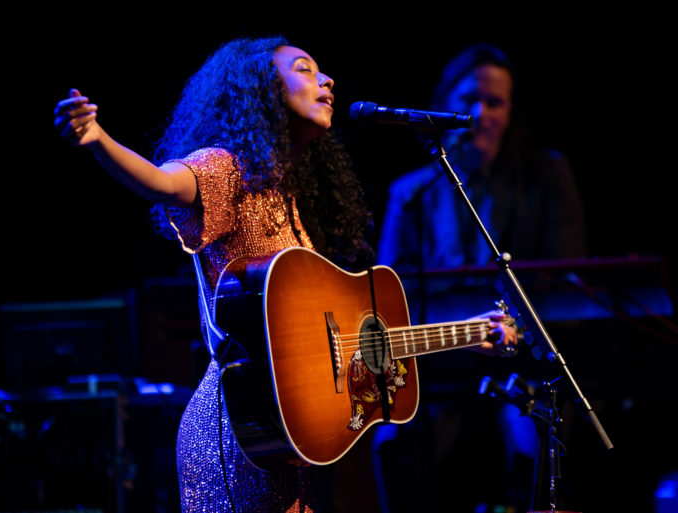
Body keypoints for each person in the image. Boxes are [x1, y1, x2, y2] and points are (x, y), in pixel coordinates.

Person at [53, 36, 518, 513]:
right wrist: (99, 140)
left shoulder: (285, 199)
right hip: (238, 433)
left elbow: (345, 351)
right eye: (304, 69)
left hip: (280, 447)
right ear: (262, 92)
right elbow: (163, 183)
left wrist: (469, 334)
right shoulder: (226, 168)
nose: (327, 80)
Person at [373, 43, 588, 513]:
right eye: (468, 99)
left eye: (495, 103)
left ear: (511, 114)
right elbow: (390, 296)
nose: (478, 113)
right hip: (438, 364)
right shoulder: (410, 193)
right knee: (391, 442)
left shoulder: (546, 175)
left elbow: (564, 273)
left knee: (534, 451)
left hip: (522, 359)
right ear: (442, 106)